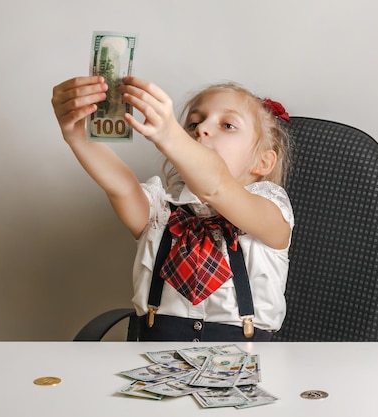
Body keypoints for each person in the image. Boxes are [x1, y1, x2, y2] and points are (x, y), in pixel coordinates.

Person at [51, 75, 294, 341]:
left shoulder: (271, 211)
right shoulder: (161, 211)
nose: (201, 129)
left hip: (243, 364)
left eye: (227, 125)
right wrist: (77, 134)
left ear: (263, 162)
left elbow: (216, 186)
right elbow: (120, 186)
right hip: (155, 359)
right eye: (193, 122)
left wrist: (172, 136)